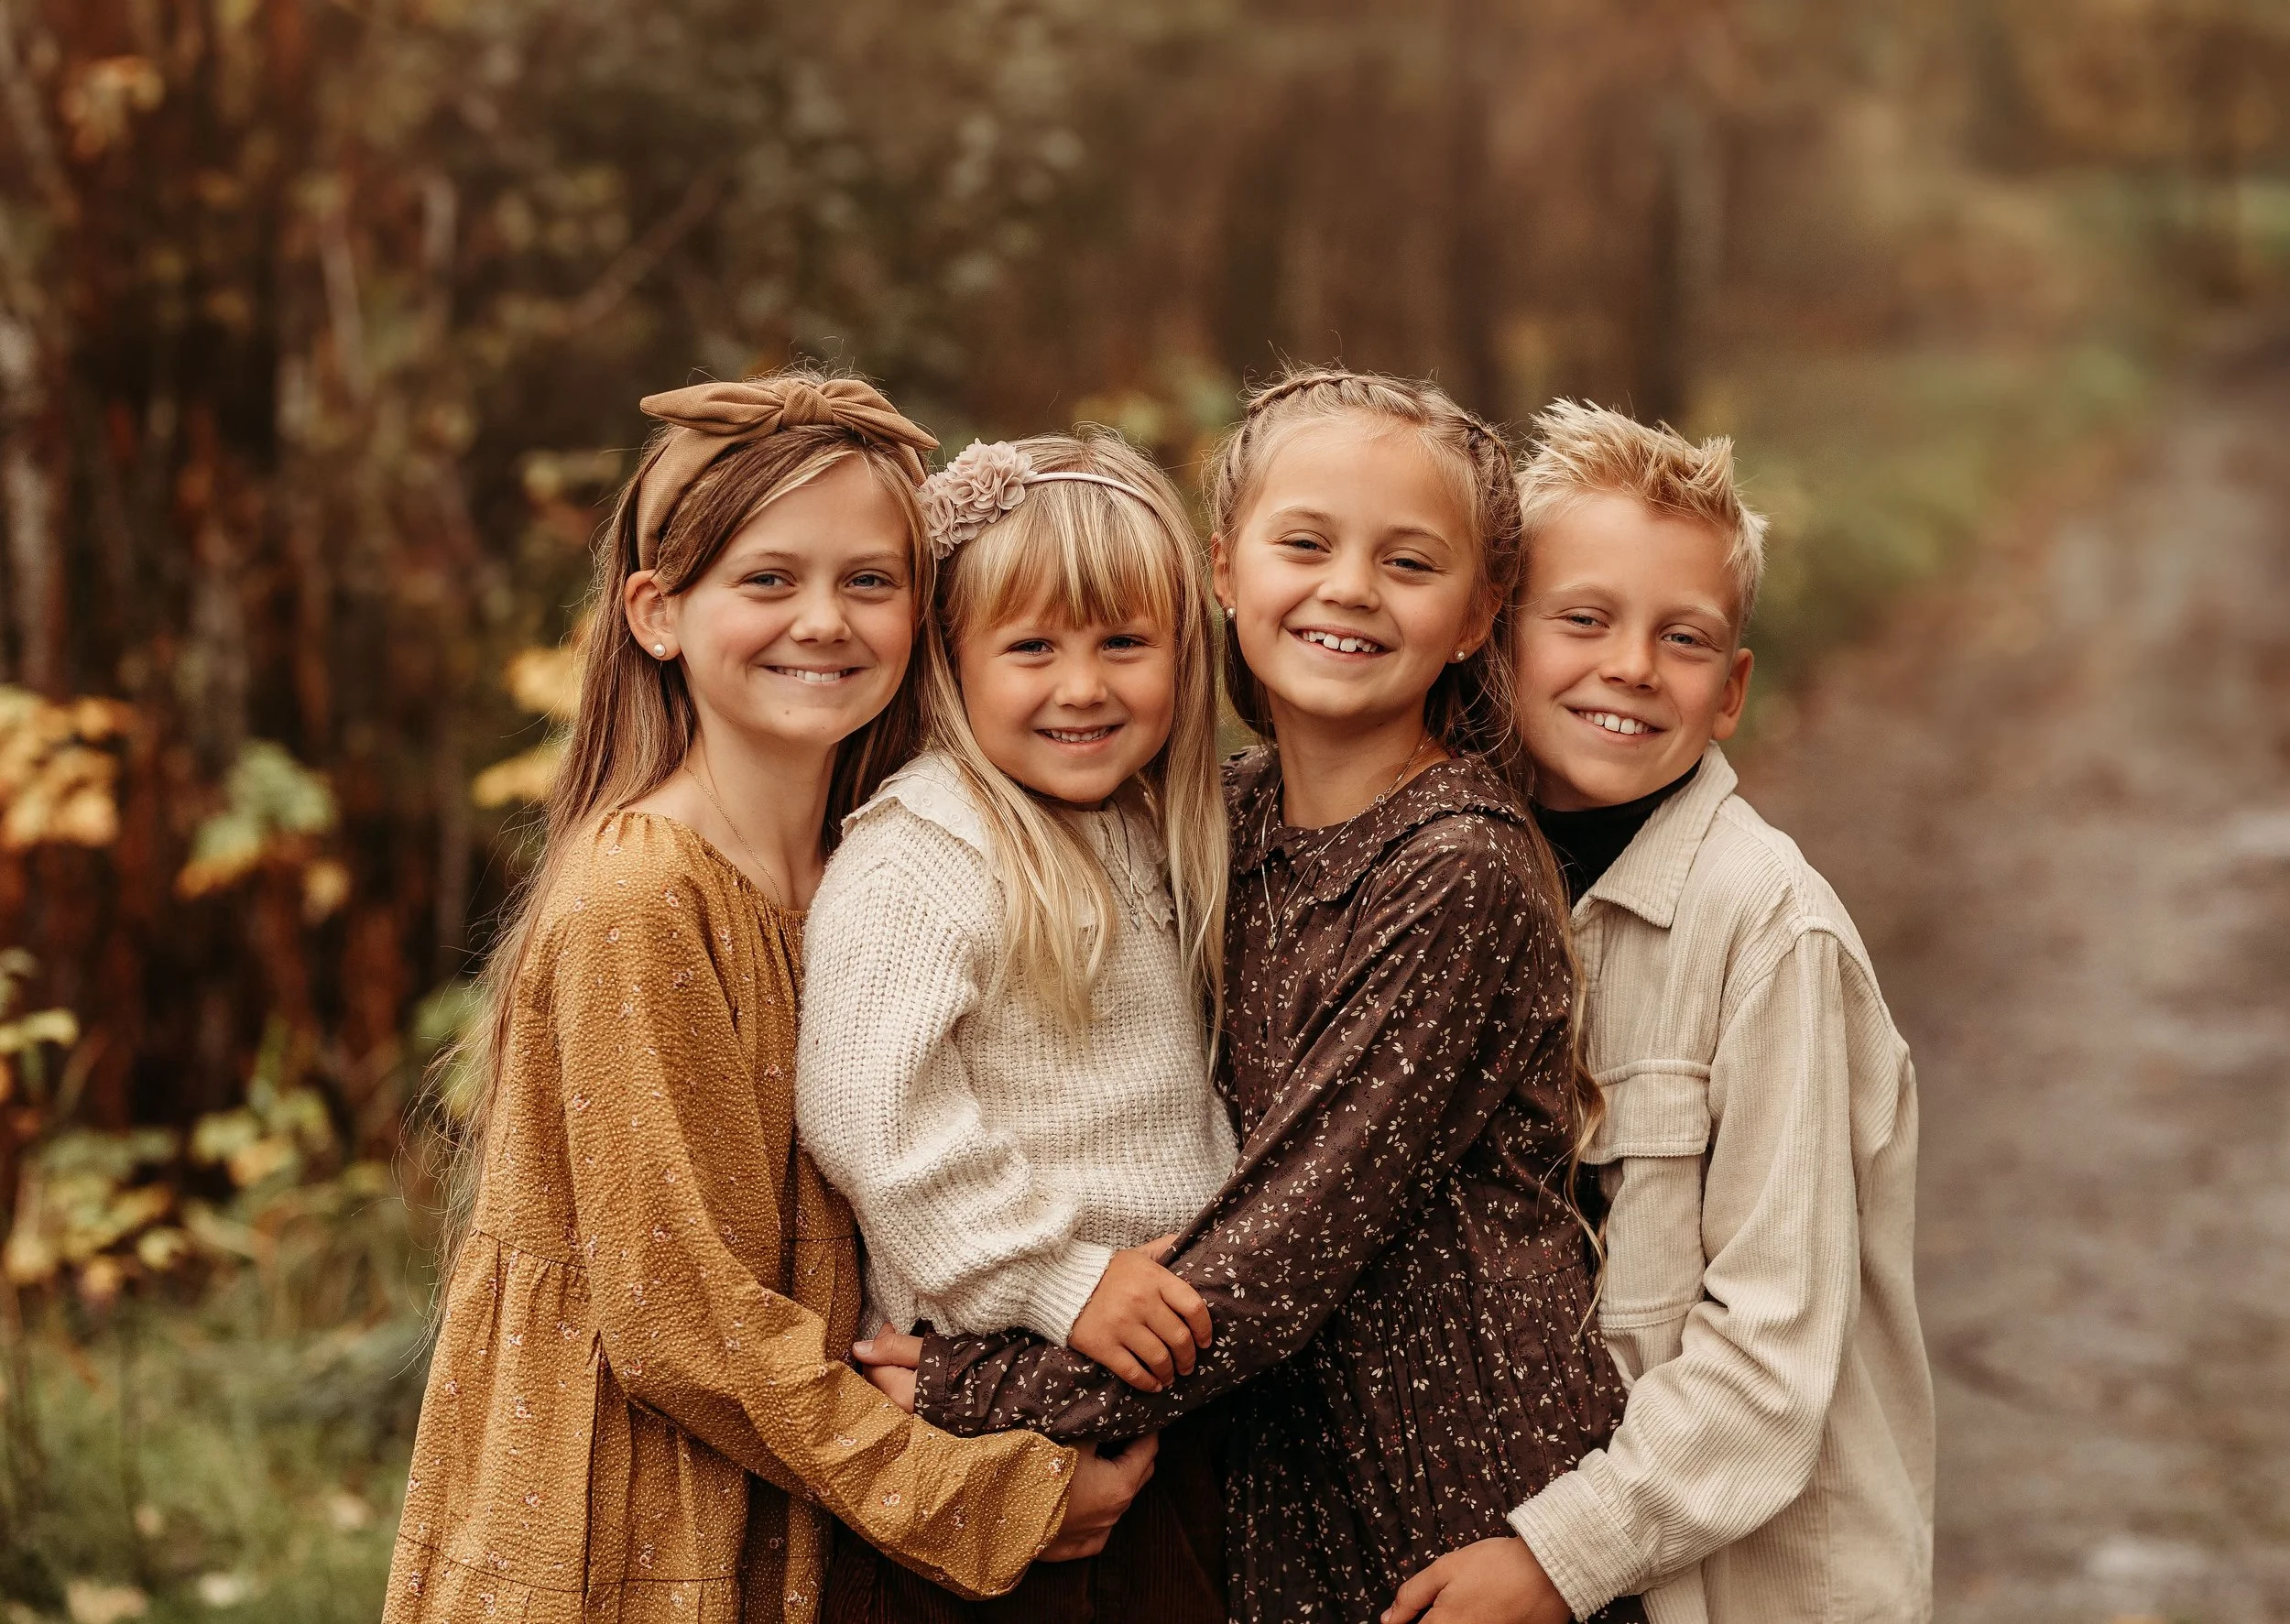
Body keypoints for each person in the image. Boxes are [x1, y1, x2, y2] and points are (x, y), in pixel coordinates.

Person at [859, 369, 1642, 1624]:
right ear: (1224, 572)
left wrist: (979, 1393)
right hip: (1271, 1466)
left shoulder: (1458, 869)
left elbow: (1287, 1239)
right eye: (1306, 544)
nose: (1348, 590)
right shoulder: (1218, 815)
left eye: (1409, 562)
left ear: (1479, 610)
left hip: (1456, 1481)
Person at [381, 370, 1158, 1624]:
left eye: (869, 581)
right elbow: (682, 1321)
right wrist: (979, 1491)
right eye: (767, 580)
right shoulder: (641, 899)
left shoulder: (885, 873)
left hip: (802, 1488)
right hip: (628, 1517)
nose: (825, 622)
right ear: (655, 613)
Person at [1387, 401, 1931, 1624]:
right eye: (1582, 619)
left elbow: (1769, 1359)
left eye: (1682, 639)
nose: (1630, 666)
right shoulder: (1450, 880)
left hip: (1735, 1591)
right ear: (1494, 638)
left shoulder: (1770, 932)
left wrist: (1556, 1558)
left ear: (1732, 690)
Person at [795, 430, 1236, 1622]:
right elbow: (870, 1112)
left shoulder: (1150, 824)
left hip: (1153, 1382)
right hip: (1003, 1385)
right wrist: (1060, 1277)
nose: (1082, 686)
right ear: (953, 662)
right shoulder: (926, 847)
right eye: (1033, 647)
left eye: (1124, 645)